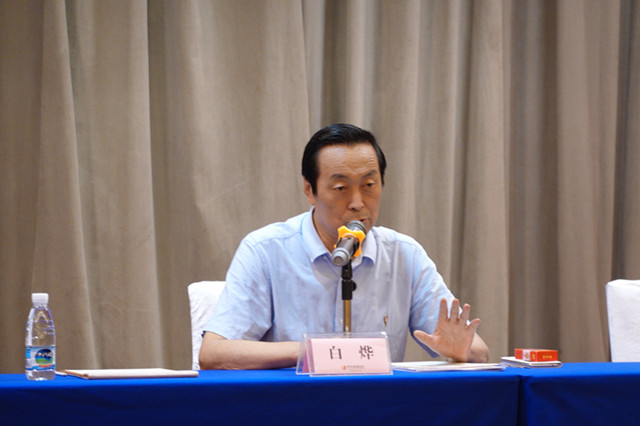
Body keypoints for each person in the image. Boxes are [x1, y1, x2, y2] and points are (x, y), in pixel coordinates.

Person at [199, 123, 489, 369]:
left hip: (377, 407)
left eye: (369, 185)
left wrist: (461, 350)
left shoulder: (404, 255)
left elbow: (478, 352)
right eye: (340, 188)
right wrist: (318, 351)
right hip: (294, 405)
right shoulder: (265, 251)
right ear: (309, 190)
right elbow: (213, 354)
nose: (357, 203)